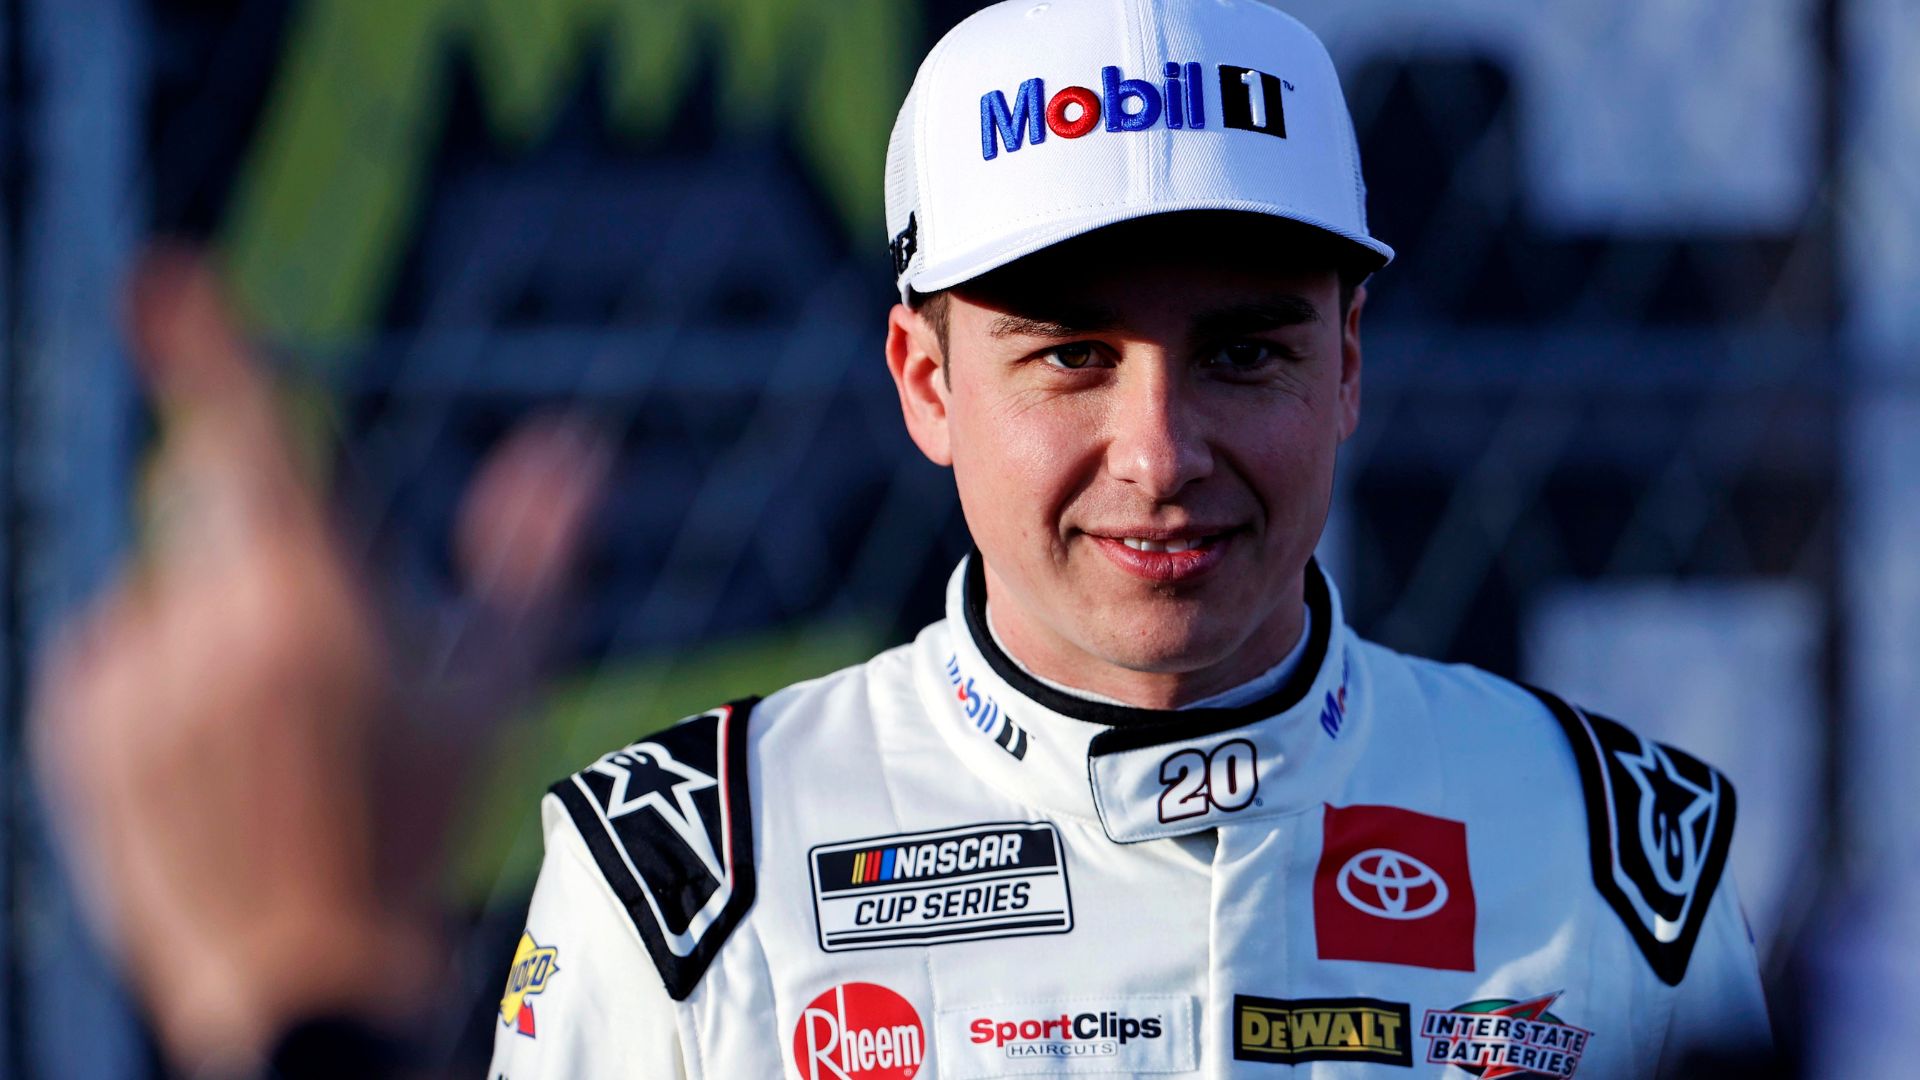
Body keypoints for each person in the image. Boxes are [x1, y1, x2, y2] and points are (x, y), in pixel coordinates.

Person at [487, 0, 1771, 1077]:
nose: (1160, 456)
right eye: (1072, 356)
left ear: (1348, 368)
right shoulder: (689, 888)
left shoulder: (1623, 873)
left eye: (1244, 352)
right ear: (926, 382)